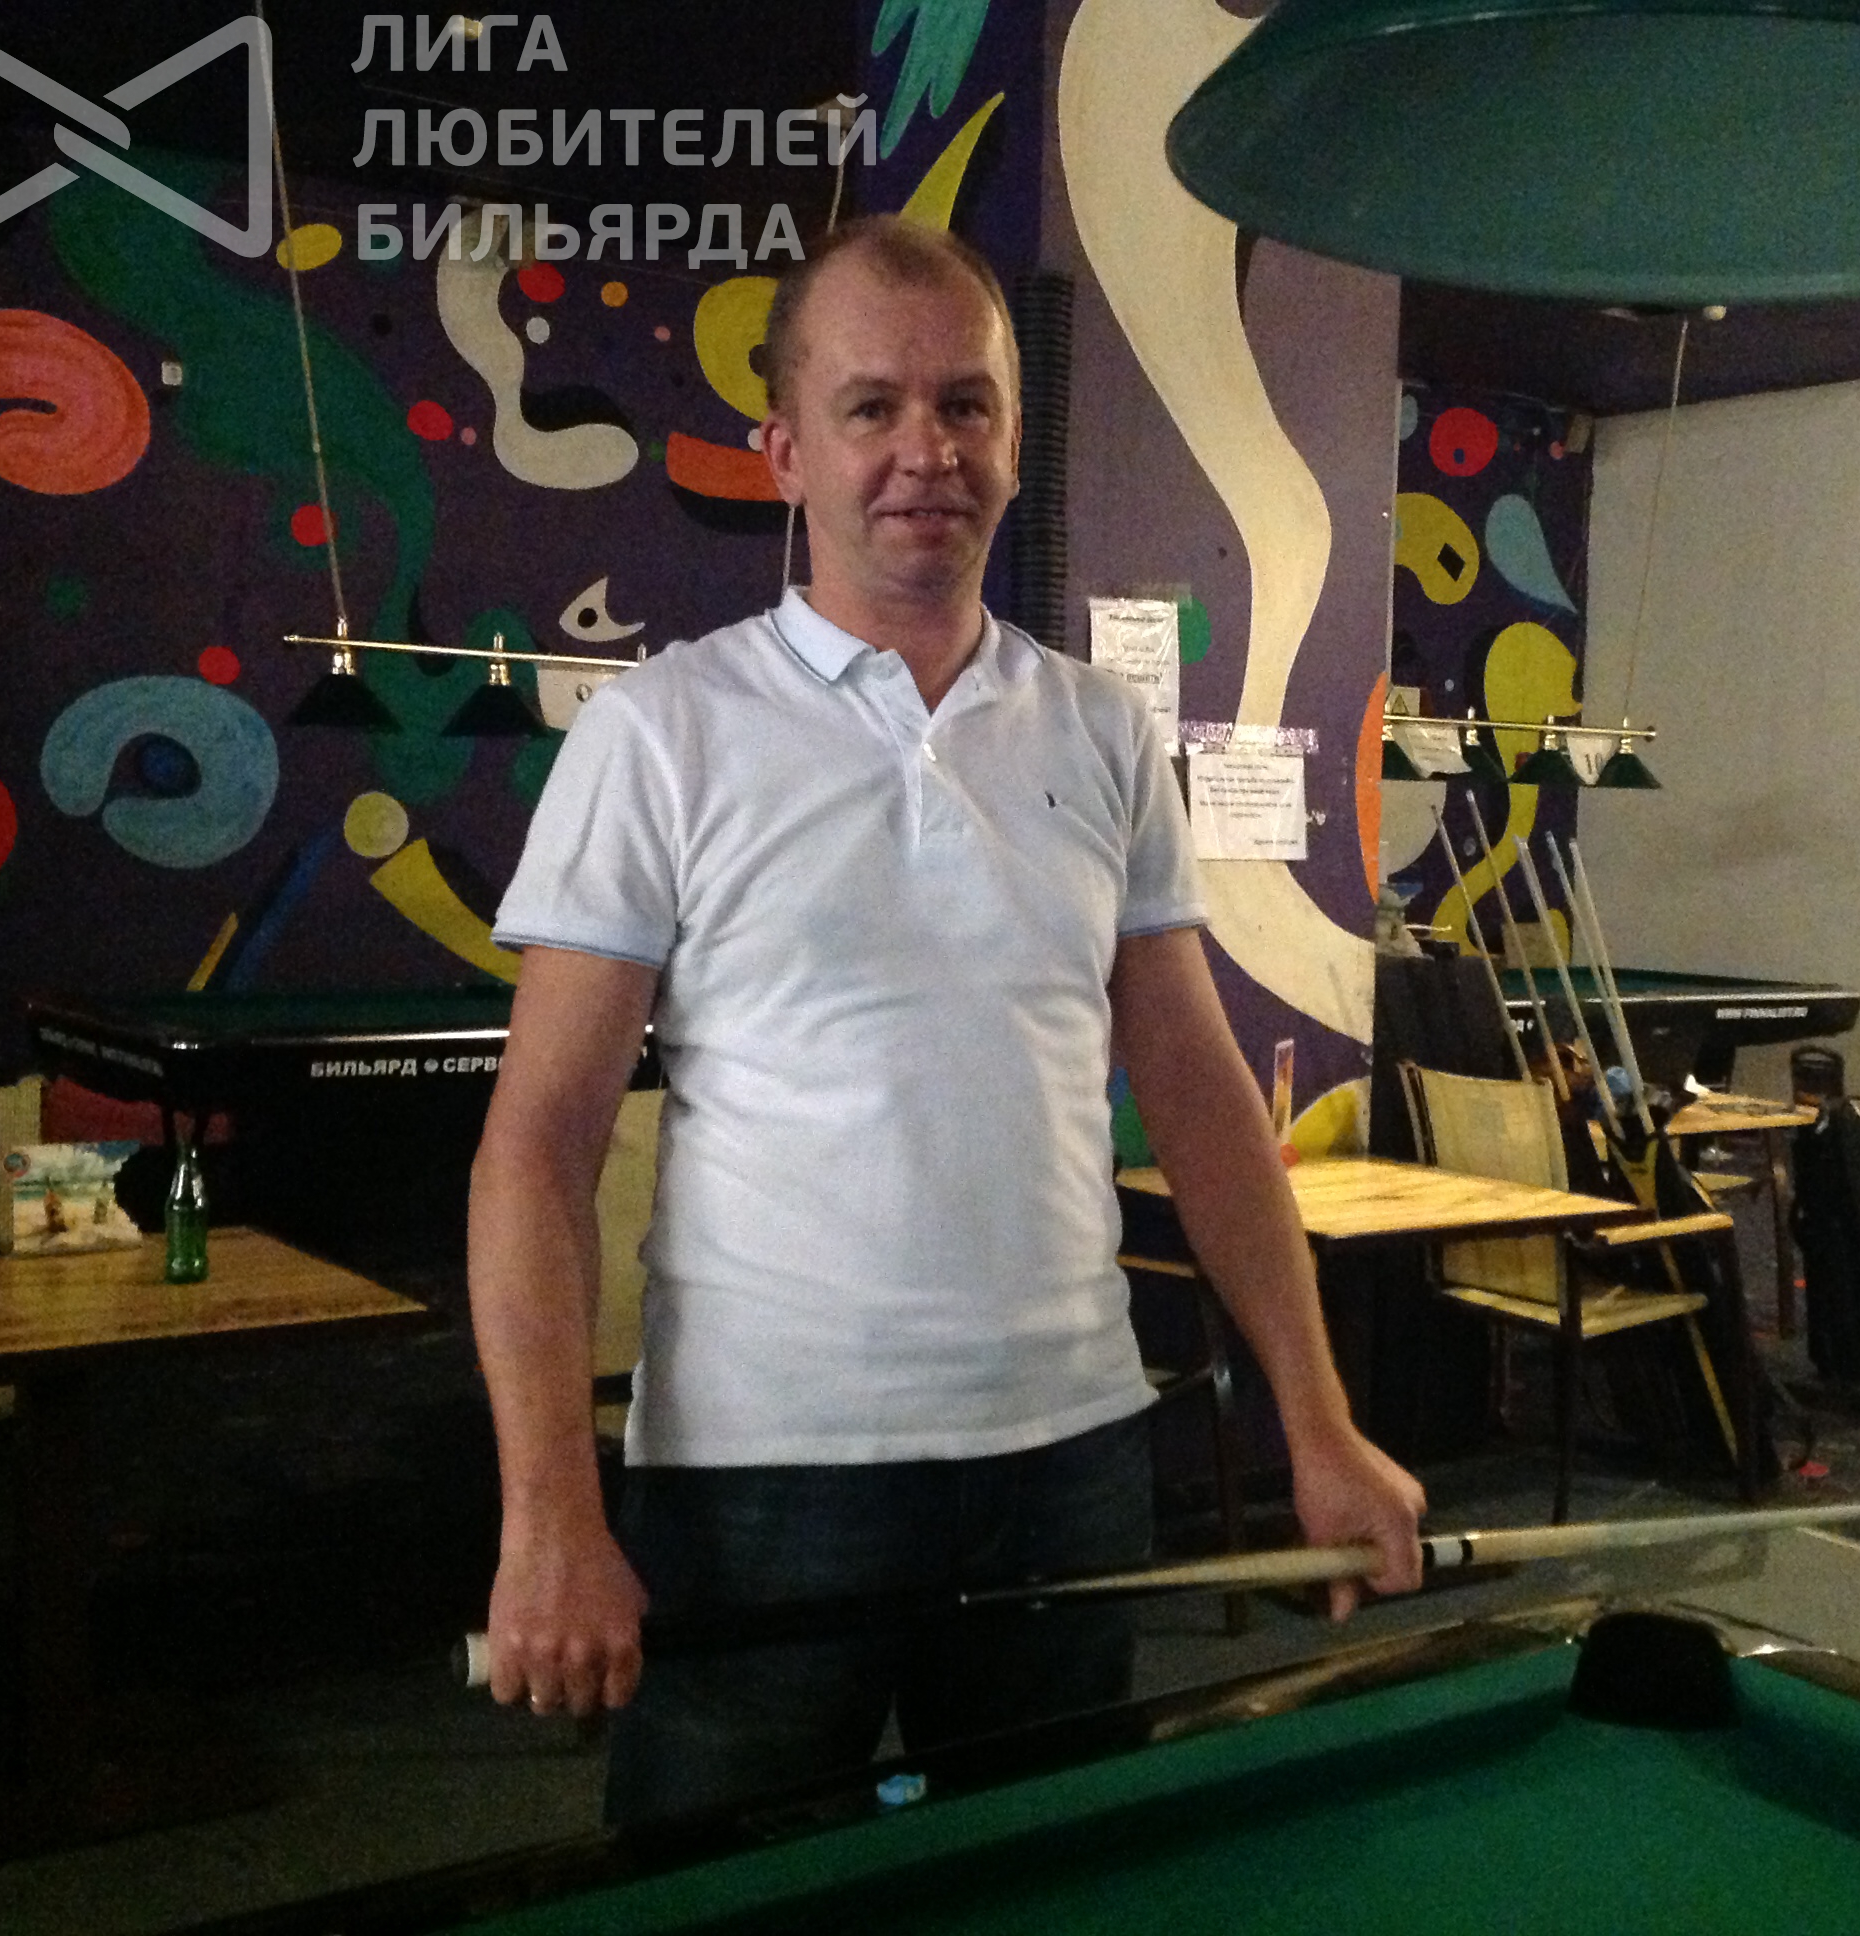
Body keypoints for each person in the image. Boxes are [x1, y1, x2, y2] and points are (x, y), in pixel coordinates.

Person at [469, 215, 1424, 1824]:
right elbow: (537, 1150)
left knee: (1041, 1885)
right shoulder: (661, 734)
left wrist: (1315, 1422)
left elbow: (1199, 1095)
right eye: (873, 407)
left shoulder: (1101, 734)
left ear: (1015, 439)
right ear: (786, 452)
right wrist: (548, 1512)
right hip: (760, 1477)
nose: (928, 450)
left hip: (1070, 1456)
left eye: (966, 404)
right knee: (723, 1902)